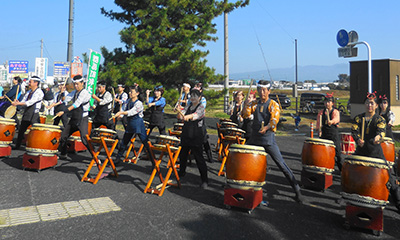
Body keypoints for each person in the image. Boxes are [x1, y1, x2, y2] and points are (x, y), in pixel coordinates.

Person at [242, 80, 303, 203]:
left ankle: (297, 190)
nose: (262, 92)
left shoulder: (273, 104)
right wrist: (245, 105)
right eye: (260, 89)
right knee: (242, 157)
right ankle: (235, 184)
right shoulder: (254, 103)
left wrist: (266, 127)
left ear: (269, 91)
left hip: (268, 139)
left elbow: (274, 120)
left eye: (264, 90)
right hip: (255, 138)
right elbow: (245, 115)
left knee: (281, 164)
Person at [351, 92, 400, 212]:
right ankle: (348, 196)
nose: (369, 105)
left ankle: (398, 201)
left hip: (375, 152)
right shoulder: (359, 118)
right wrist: (357, 139)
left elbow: (381, 131)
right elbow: (353, 130)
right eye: (367, 103)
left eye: (372, 103)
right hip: (361, 151)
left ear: (376, 105)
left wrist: (378, 137)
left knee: (389, 175)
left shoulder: (380, 119)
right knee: (350, 170)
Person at [114, 85, 154, 165]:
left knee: (145, 142)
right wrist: (120, 116)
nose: (130, 93)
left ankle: (154, 162)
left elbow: (131, 112)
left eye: (132, 92)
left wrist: (121, 113)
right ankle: (118, 158)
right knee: (124, 142)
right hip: (130, 124)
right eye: (130, 91)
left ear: (137, 93)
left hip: (138, 124)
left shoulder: (139, 103)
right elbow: (124, 109)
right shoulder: (128, 101)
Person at [176, 88, 209, 188]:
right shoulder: (188, 106)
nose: (193, 98)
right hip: (186, 133)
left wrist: (188, 116)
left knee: (199, 157)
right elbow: (180, 117)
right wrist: (179, 111)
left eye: (195, 96)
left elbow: (196, 115)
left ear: (199, 97)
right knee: (183, 155)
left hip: (196, 135)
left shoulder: (201, 107)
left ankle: (204, 180)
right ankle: (181, 174)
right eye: (192, 96)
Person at [56, 75, 91, 159]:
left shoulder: (84, 93)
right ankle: (63, 154)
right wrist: (63, 92)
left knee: (84, 139)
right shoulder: (74, 92)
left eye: (77, 84)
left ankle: (95, 158)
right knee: (64, 136)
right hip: (74, 118)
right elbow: (65, 100)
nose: (76, 86)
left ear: (82, 83)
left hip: (82, 118)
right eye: (74, 84)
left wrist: (63, 111)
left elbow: (76, 104)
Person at [12, 76, 44, 150]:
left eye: (30, 82)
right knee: (21, 130)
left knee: (36, 131)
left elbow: (30, 102)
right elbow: (24, 100)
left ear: (36, 83)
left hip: (34, 114)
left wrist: (19, 104)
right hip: (27, 112)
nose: (29, 83)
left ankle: (37, 145)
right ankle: (18, 145)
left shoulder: (39, 92)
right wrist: (18, 102)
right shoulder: (29, 92)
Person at [316, 93, 343, 171]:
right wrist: (318, 129)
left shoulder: (335, 111)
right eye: (325, 102)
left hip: (333, 134)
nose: (327, 104)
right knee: (323, 152)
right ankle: (325, 167)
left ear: (332, 103)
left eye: (328, 102)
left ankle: (341, 169)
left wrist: (331, 121)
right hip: (324, 134)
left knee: (337, 153)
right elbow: (319, 121)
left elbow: (336, 119)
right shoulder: (321, 112)